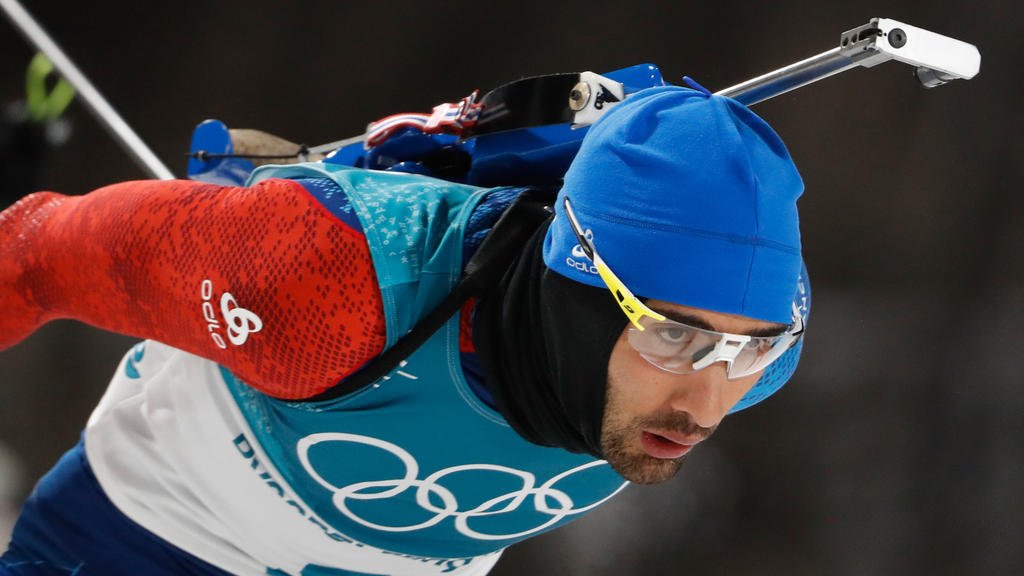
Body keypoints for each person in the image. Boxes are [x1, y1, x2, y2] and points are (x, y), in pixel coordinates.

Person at [0, 85, 809, 575]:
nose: (706, 399)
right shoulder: (329, 280)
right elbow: (36, 251)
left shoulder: (751, 357)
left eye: (755, 345)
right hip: (153, 544)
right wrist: (240, 243)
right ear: (578, 289)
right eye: (671, 334)